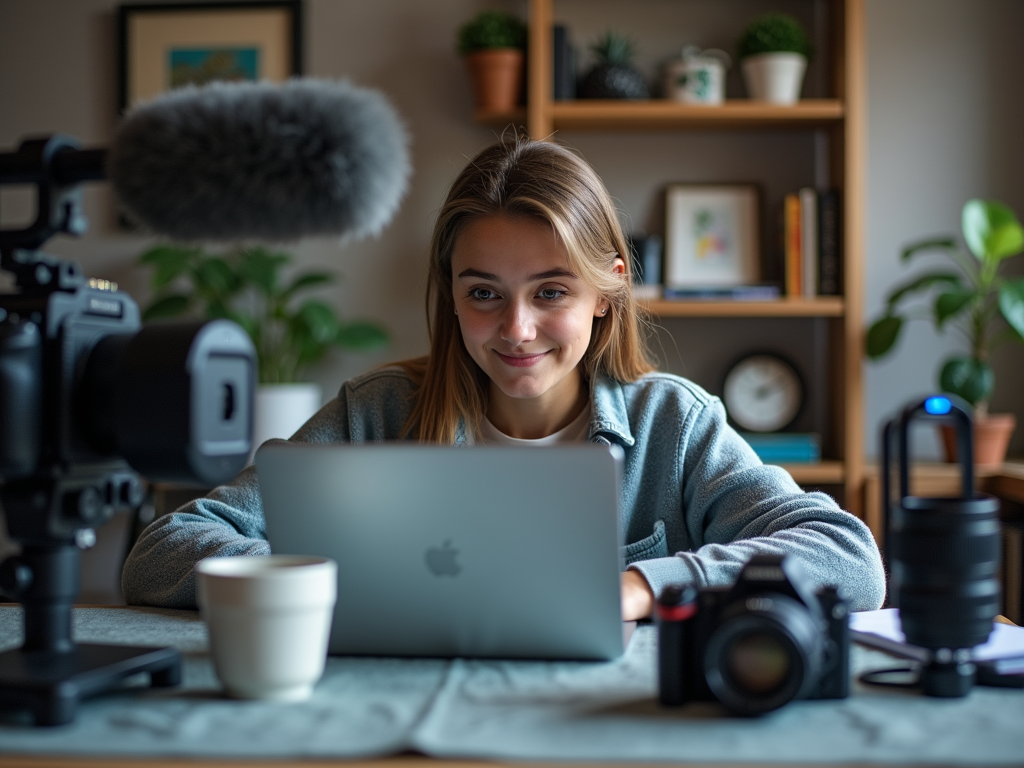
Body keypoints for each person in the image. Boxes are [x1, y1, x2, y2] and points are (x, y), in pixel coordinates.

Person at [122, 136, 886, 617]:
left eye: (551, 291)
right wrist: (327, 580)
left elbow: (846, 556)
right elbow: (165, 548)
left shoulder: (672, 426)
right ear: (450, 295)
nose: (516, 329)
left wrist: (646, 584)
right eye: (483, 292)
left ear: (605, 292)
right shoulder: (377, 415)